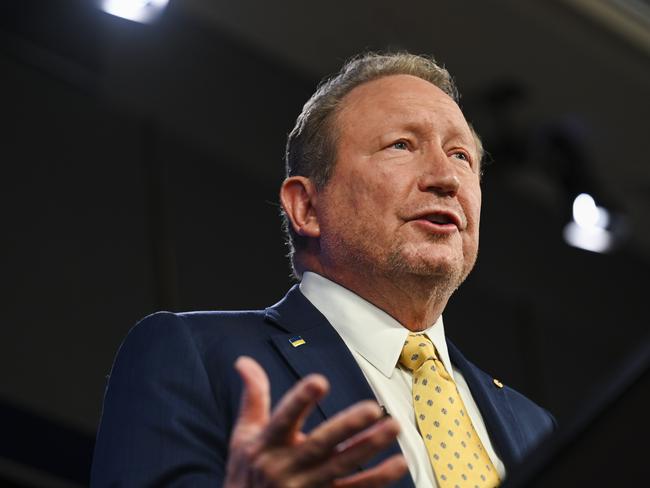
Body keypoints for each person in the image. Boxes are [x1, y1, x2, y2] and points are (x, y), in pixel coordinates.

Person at [91, 52, 556, 487]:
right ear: (307, 206)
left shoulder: (534, 426)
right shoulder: (192, 356)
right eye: (401, 145)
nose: (447, 178)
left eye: (461, 156)